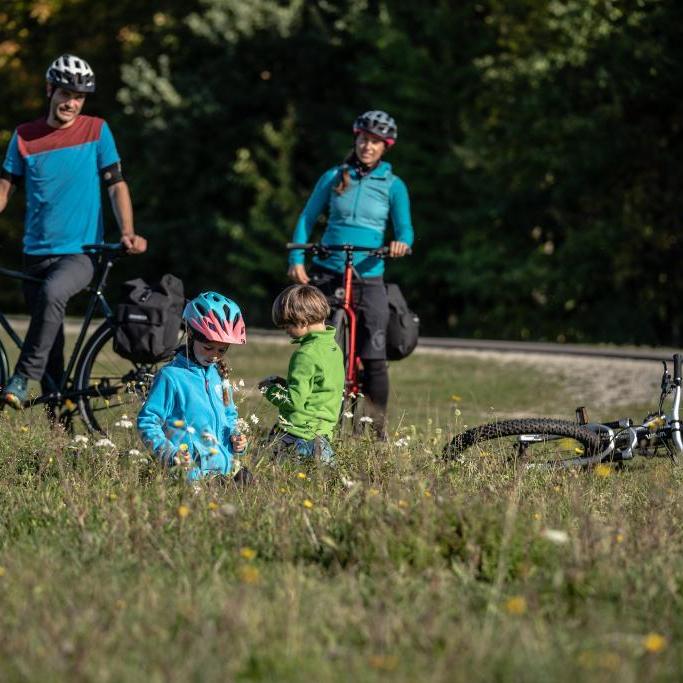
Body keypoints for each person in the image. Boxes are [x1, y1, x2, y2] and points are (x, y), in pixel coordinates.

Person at [0, 54, 147, 409]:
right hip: (34, 254)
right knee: (48, 339)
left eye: (79, 96)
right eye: (66, 93)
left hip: (80, 253)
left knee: (53, 294)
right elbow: (4, 190)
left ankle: (21, 378)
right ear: (50, 90)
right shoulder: (24, 137)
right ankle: (60, 415)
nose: (72, 102)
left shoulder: (97, 130)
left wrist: (128, 230)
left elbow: (116, 185)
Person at [288, 110, 413, 439]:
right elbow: (307, 216)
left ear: (385, 146)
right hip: (329, 269)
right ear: (355, 139)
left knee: (374, 352)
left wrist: (401, 244)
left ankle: (375, 431)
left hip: (369, 273)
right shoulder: (334, 176)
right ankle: (310, 420)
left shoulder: (393, 185)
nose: (367, 146)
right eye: (362, 139)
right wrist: (297, 256)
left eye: (374, 142)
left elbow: (406, 230)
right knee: (315, 344)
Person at [137, 292, 251, 483]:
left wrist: (237, 438)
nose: (214, 355)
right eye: (208, 347)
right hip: (193, 476)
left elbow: (229, 417)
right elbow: (147, 421)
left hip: (225, 471)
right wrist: (169, 454)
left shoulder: (218, 375)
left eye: (221, 350)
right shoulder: (171, 376)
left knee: (249, 483)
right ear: (191, 334)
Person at [259, 284, 344, 463]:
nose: (286, 331)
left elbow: (294, 401)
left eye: (287, 325)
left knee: (282, 481)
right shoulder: (333, 348)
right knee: (323, 485)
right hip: (323, 435)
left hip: (298, 435)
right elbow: (318, 388)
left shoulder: (305, 354)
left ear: (303, 322)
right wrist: (286, 384)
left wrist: (268, 390)